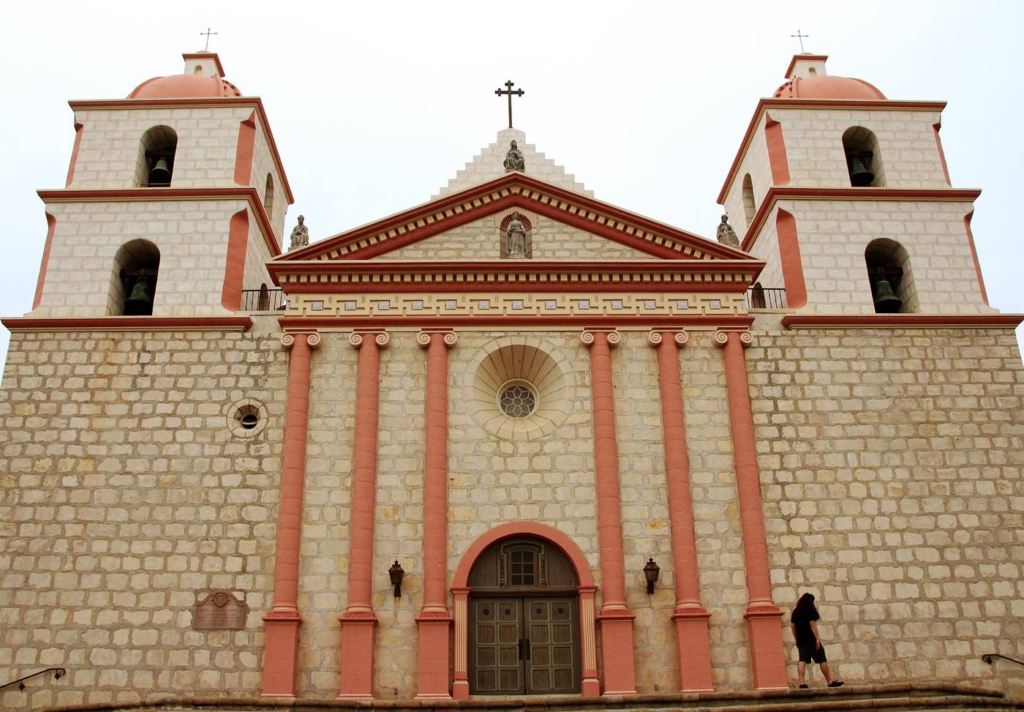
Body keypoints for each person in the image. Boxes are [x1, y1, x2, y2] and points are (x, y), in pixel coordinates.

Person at [791, 593, 843, 689]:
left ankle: (802, 683)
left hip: (801, 640)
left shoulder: (795, 611)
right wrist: (817, 639)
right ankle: (829, 681)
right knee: (822, 659)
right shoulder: (810, 610)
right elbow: (812, 625)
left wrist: (797, 639)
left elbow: (793, 627)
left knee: (802, 660)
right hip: (811, 639)